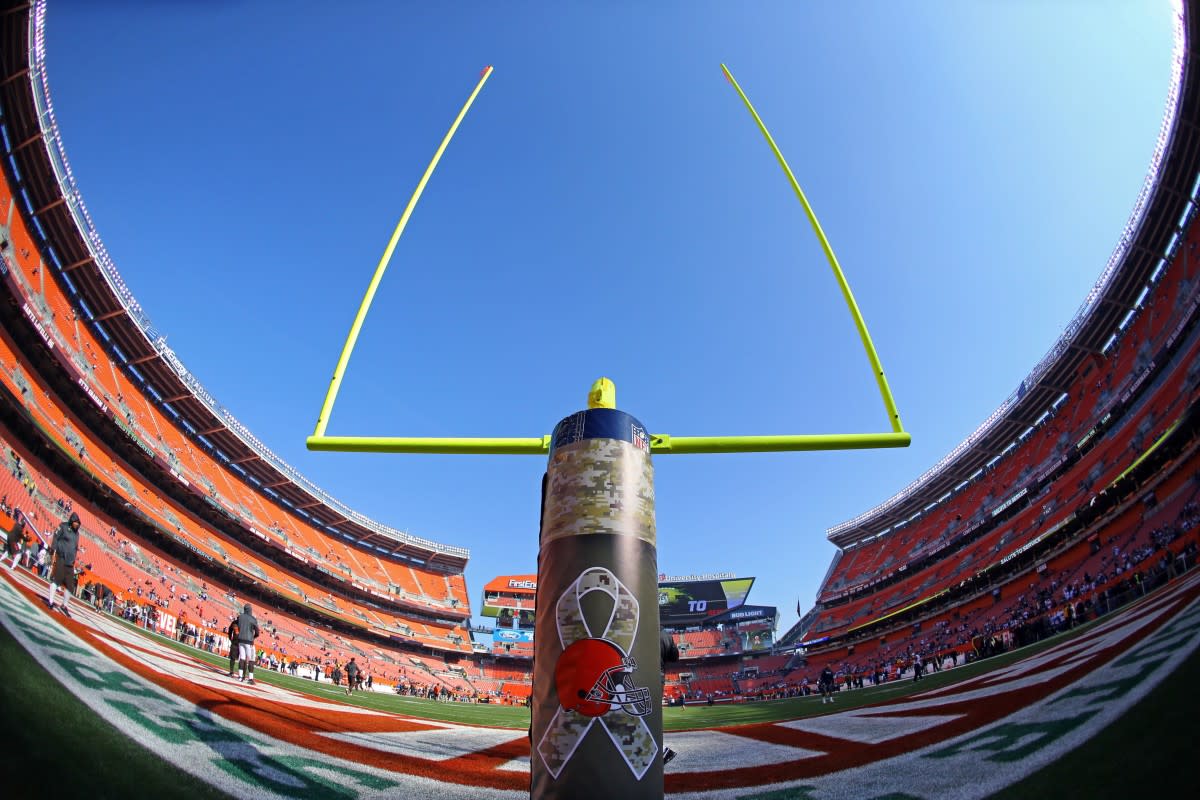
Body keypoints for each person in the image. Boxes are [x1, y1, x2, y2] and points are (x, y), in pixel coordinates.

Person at [46, 512, 80, 616]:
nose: (77, 524)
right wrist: (53, 551)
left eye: (78, 523)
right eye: (75, 522)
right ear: (71, 521)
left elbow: (74, 547)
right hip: (61, 558)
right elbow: (56, 537)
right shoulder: (63, 526)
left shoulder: (77, 534)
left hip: (70, 563)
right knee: (56, 580)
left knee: (70, 586)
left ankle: (64, 605)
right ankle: (50, 602)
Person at [660, 630, 679, 765]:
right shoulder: (665, 635)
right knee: (653, 715)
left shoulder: (639, 629)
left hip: (639, 676)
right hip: (658, 677)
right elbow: (674, 656)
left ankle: (661, 750)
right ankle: (662, 750)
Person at [235, 603, 260, 684]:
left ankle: (240, 676)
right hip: (249, 641)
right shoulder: (253, 619)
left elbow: (237, 626)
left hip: (240, 639)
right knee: (251, 660)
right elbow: (257, 632)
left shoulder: (240, 616)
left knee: (242, 658)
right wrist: (253, 637)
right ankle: (250, 678)